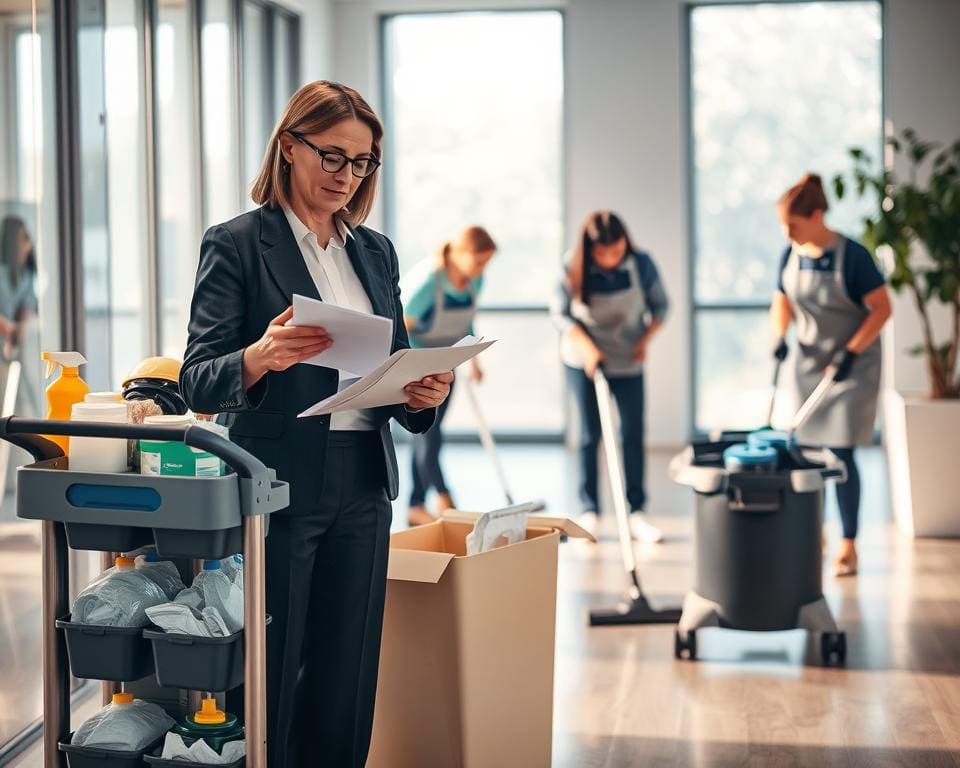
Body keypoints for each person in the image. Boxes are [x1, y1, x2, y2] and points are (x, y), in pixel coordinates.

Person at [180, 80, 453, 768]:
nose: (346, 176)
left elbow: (392, 366)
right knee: (277, 661)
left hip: (365, 478)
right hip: (279, 484)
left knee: (348, 670)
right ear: (288, 147)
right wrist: (259, 356)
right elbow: (196, 380)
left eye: (362, 163)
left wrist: (421, 395)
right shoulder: (239, 243)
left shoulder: (376, 252)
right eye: (333, 156)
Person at [771, 172, 892, 577]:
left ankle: (848, 544)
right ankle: (814, 535)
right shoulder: (790, 253)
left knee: (840, 453)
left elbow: (882, 309)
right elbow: (782, 300)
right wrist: (778, 337)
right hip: (809, 365)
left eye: (794, 224)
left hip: (852, 367)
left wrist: (850, 353)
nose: (788, 232)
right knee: (806, 454)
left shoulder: (853, 256)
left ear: (818, 215)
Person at [551, 211, 668, 543]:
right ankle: (590, 510)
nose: (612, 260)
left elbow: (661, 307)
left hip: (628, 357)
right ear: (590, 250)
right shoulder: (571, 266)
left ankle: (637, 511)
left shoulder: (641, 263)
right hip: (583, 358)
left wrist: (645, 341)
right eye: (604, 254)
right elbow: (560, 314)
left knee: (632, 430)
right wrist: (588, 348)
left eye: (617, 252)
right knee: (590, 433)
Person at [401, 226, 496, 525]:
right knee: (429, 433)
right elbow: (402, 323)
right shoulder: (429, 281)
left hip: (447, 363)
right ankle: (444, 496)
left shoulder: (474, 280)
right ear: (460, 254)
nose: (482, 269)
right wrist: (412, 365)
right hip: (420, 363)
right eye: (479, 261)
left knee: (429, 433)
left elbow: (467, 319)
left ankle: (416, 504)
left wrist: (473, 359)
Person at [0, 216, 38, 360]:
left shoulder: (25, 275)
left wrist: (20, 327)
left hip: (9, 347)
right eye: (24, 239)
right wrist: (7, 327)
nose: (28, 246)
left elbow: (26, 306)